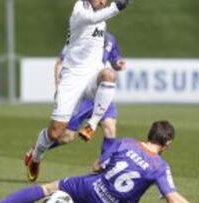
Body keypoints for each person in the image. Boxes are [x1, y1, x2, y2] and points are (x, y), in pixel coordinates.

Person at [25, 0, 132, 182]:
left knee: (109, 75)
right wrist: (117, 6)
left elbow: (103, 34)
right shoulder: (80, 9)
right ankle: (35, 157)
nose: (103, 1)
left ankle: (91, 125)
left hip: (93, 75)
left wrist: (116, 63)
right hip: (72, 78)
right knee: (55, 133)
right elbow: (92, 19)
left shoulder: (102, 19)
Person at [0, 120, 190, 203]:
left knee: (48, 188)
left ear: (149, 133)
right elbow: (173, 199)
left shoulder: (127, 143)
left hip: (91, 187)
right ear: (168, 143)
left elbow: (96, 166)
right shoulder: (160, 167)